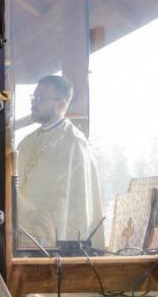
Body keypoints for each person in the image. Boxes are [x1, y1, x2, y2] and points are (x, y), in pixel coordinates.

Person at [16, 75, 104, 250]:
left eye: (41, 97)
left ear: (62, 104)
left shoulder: (74, 143)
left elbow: (75, 202)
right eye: (34, 97)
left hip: (57, 244)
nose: (34, 102)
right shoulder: (28, 141)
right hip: (21, 235)